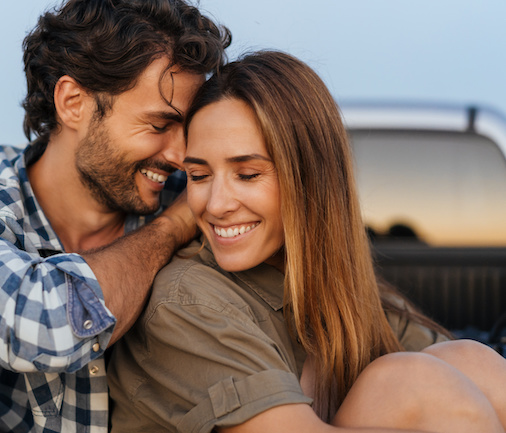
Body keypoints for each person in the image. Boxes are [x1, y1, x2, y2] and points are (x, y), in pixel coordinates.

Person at [0, 1, 230, 432]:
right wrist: (172, 229)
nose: (182, 155)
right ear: (72, 102)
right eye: (159, 124)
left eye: (189, 128)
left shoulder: (201, 197)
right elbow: (44, 327)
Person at [108, 51, 506, 432]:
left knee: (469, 359)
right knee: (408, 380)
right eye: (199, 176)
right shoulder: (186, 300)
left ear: (309, 180)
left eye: (247, 174)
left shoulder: (333, 286)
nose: (217, 205)